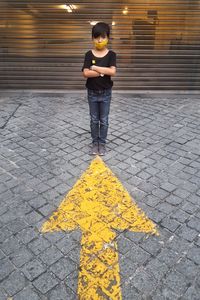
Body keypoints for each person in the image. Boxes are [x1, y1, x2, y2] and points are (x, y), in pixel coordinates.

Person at [82, 22, 117, 156]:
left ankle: (102, 144)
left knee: (104, 120)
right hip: (92, 93)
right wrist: (104, 71)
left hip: (106, 93)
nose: (100, 40)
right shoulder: (89, 54)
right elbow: (85, 73)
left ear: (108, 37)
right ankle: (94, 143)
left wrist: (95, 68)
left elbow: (113, 72)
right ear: (92, 38)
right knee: (94, 120)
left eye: (103, 37)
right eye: (97, 37)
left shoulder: (111, 55)